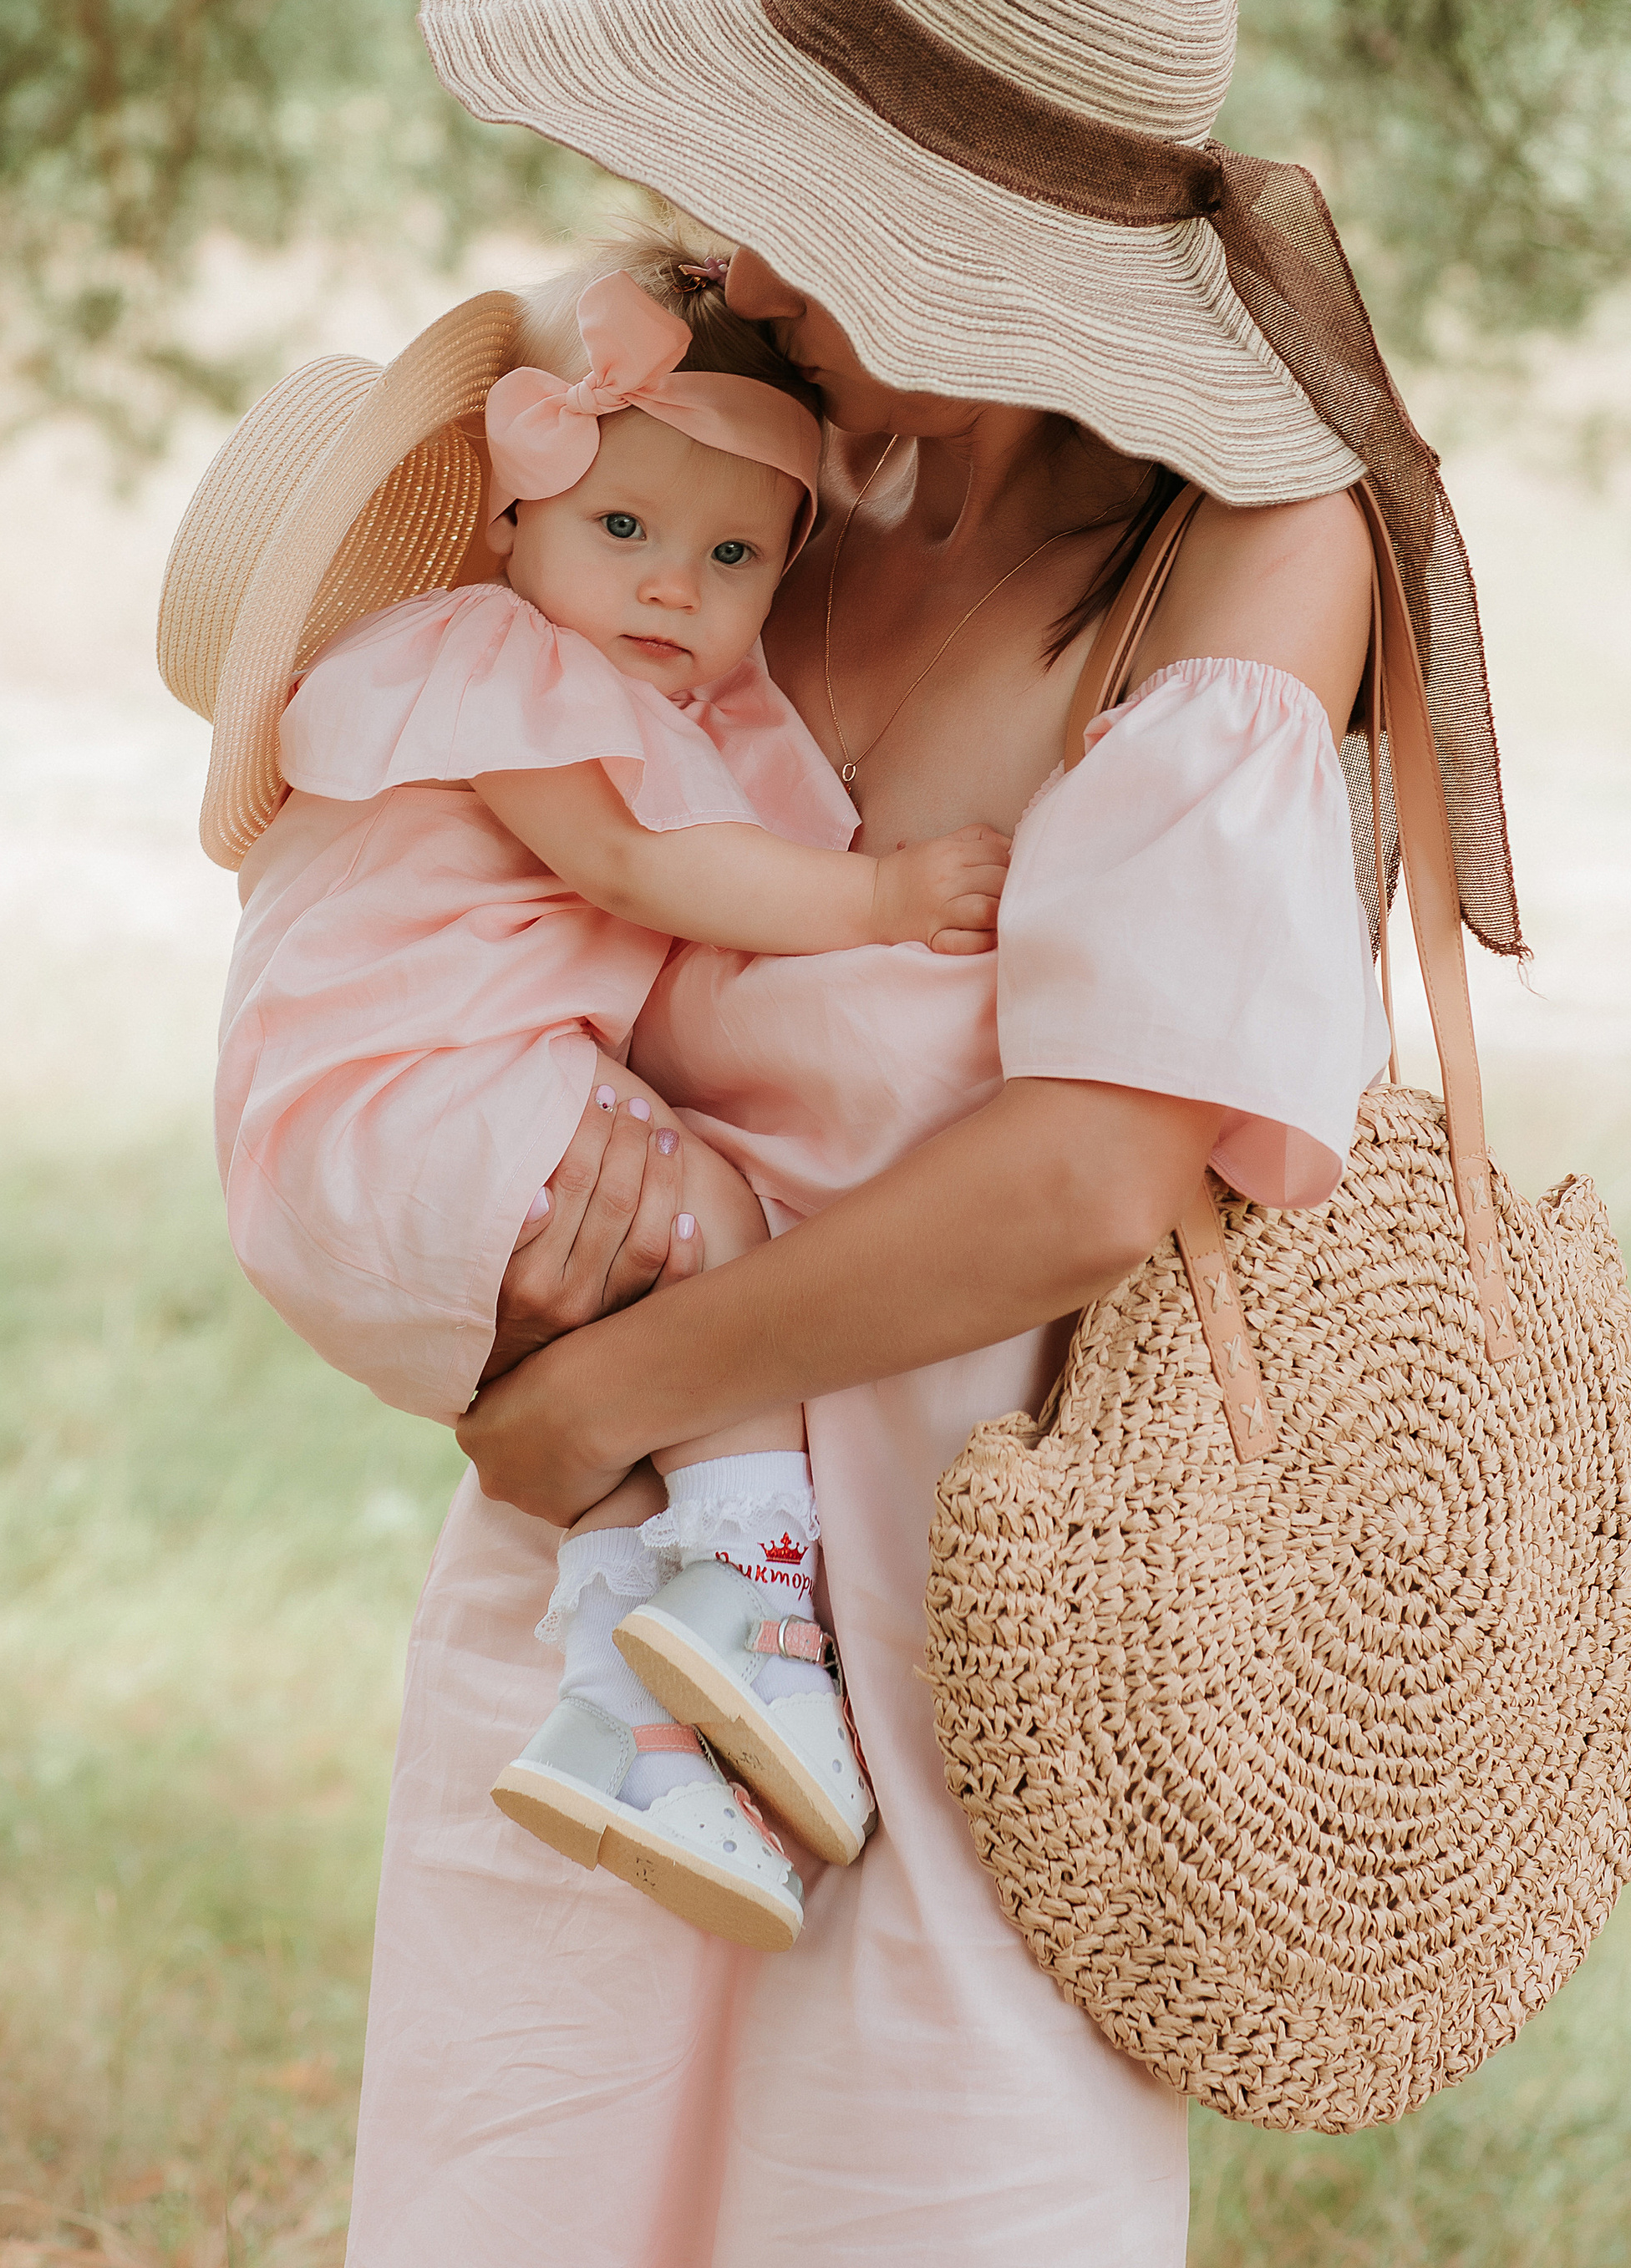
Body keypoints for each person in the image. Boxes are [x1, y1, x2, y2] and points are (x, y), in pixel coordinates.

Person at [199, 0, 1520, 2265]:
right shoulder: (760, 515)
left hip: (968, 1625)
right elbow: (487, 900)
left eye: (801, 213)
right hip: (627, 1610)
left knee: (910, 2194)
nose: (737, 263)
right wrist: (485, 1256)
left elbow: (1101, 1170)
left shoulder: (1243, 555)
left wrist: (616, 1381)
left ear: (983, 251)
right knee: (536, 2177)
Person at [161, 235, 1011, 1954]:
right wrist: (880, 899)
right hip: (417, 1116)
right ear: (505, 518)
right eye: (620, 527)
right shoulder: (494, 661)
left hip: (355, 1176)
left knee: (623, 1413)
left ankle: (632, 1731)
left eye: (731, 555)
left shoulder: (583, 682)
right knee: (712, 1229)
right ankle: (760, 1611)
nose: (672, 590)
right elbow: (638, 863)